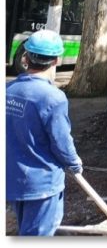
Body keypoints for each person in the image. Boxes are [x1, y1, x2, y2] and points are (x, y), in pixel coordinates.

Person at [6, 30, 83, 236]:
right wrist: (74, 163)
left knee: (25, 231)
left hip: (14, 180)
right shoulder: (53, 98)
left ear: (25, 57)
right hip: (42, 185)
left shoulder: (8, 91)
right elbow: (61, 142)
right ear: (57, 60)